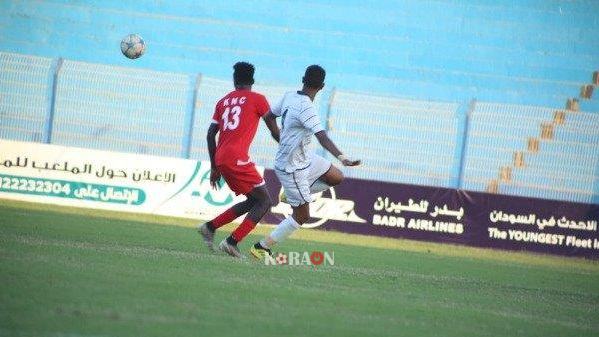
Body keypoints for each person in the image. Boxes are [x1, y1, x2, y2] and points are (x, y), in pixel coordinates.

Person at [250, 65, 360, 259]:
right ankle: (261, 247)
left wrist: (280, 138)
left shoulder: (289, 96)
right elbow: (322, 138)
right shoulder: (307, 108)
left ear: (303, 78)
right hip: (292, 167)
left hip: (304, 158)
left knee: (336, 176)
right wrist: (343, 157)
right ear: (323, 86)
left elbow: (268, 117)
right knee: (302, 216)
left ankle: (293, 194)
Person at [198, 61, 280, 258]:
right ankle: (232, 241)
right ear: (252, 80)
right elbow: (272, 127)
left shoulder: (223, 101)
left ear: (234, 80)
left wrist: (214, 167)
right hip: (237, 157)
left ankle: (210, 227)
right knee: (266, 201)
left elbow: (210, 134)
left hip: (221, 158)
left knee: (254, 199)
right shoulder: (258, 99)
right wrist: (285, 144)